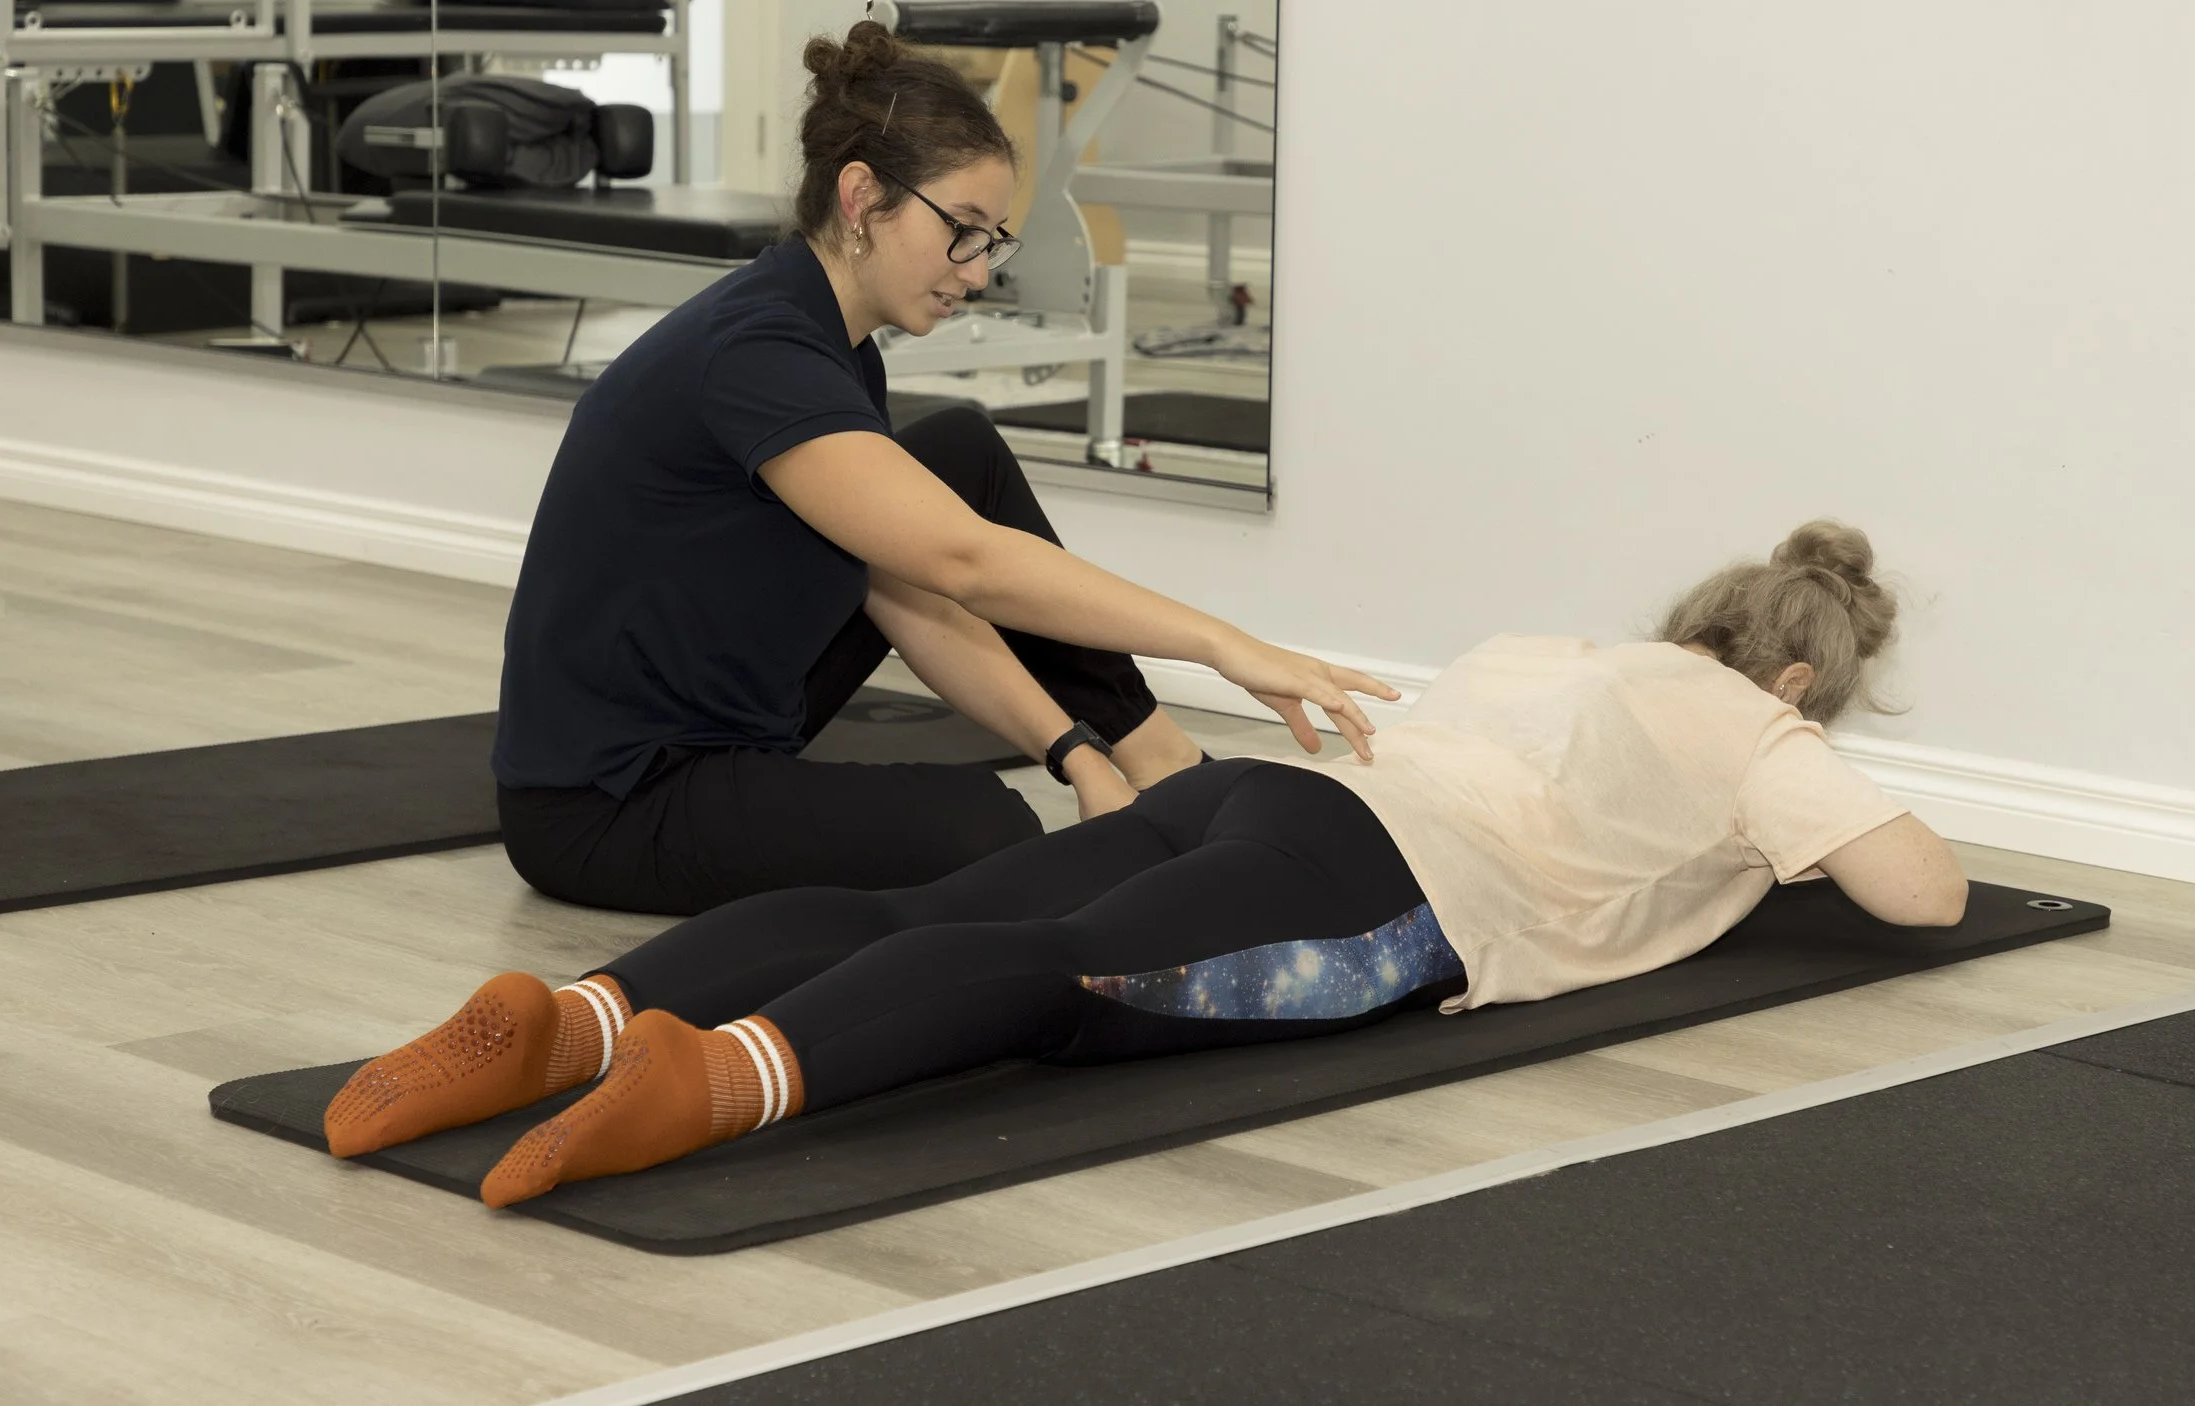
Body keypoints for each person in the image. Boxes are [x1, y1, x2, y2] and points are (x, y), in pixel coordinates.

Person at [328, 522, 1970, 1209]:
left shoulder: (1553, 649)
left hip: (1260, 796)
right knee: (1067, 981)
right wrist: (1791, 823)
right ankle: (722, 1080)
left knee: (932, 908)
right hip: (1380, 892)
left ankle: (584, 1018)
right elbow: (1927, 896)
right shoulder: (1763, 734)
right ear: (1804, 680)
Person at [490, 21, 1391, 916]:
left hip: (730, 734)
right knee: (986, 833)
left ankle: (1156, 759)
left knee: (954, 450)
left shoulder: (835, 344)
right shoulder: (756, 350)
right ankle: (1153, 774)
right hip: (611, 804)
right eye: (962, 230)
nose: (979, 269)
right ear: (861, 196)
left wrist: (1075, 752)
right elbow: (965, 564)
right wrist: (1229, 646)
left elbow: (898, 587)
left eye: (991, 239)